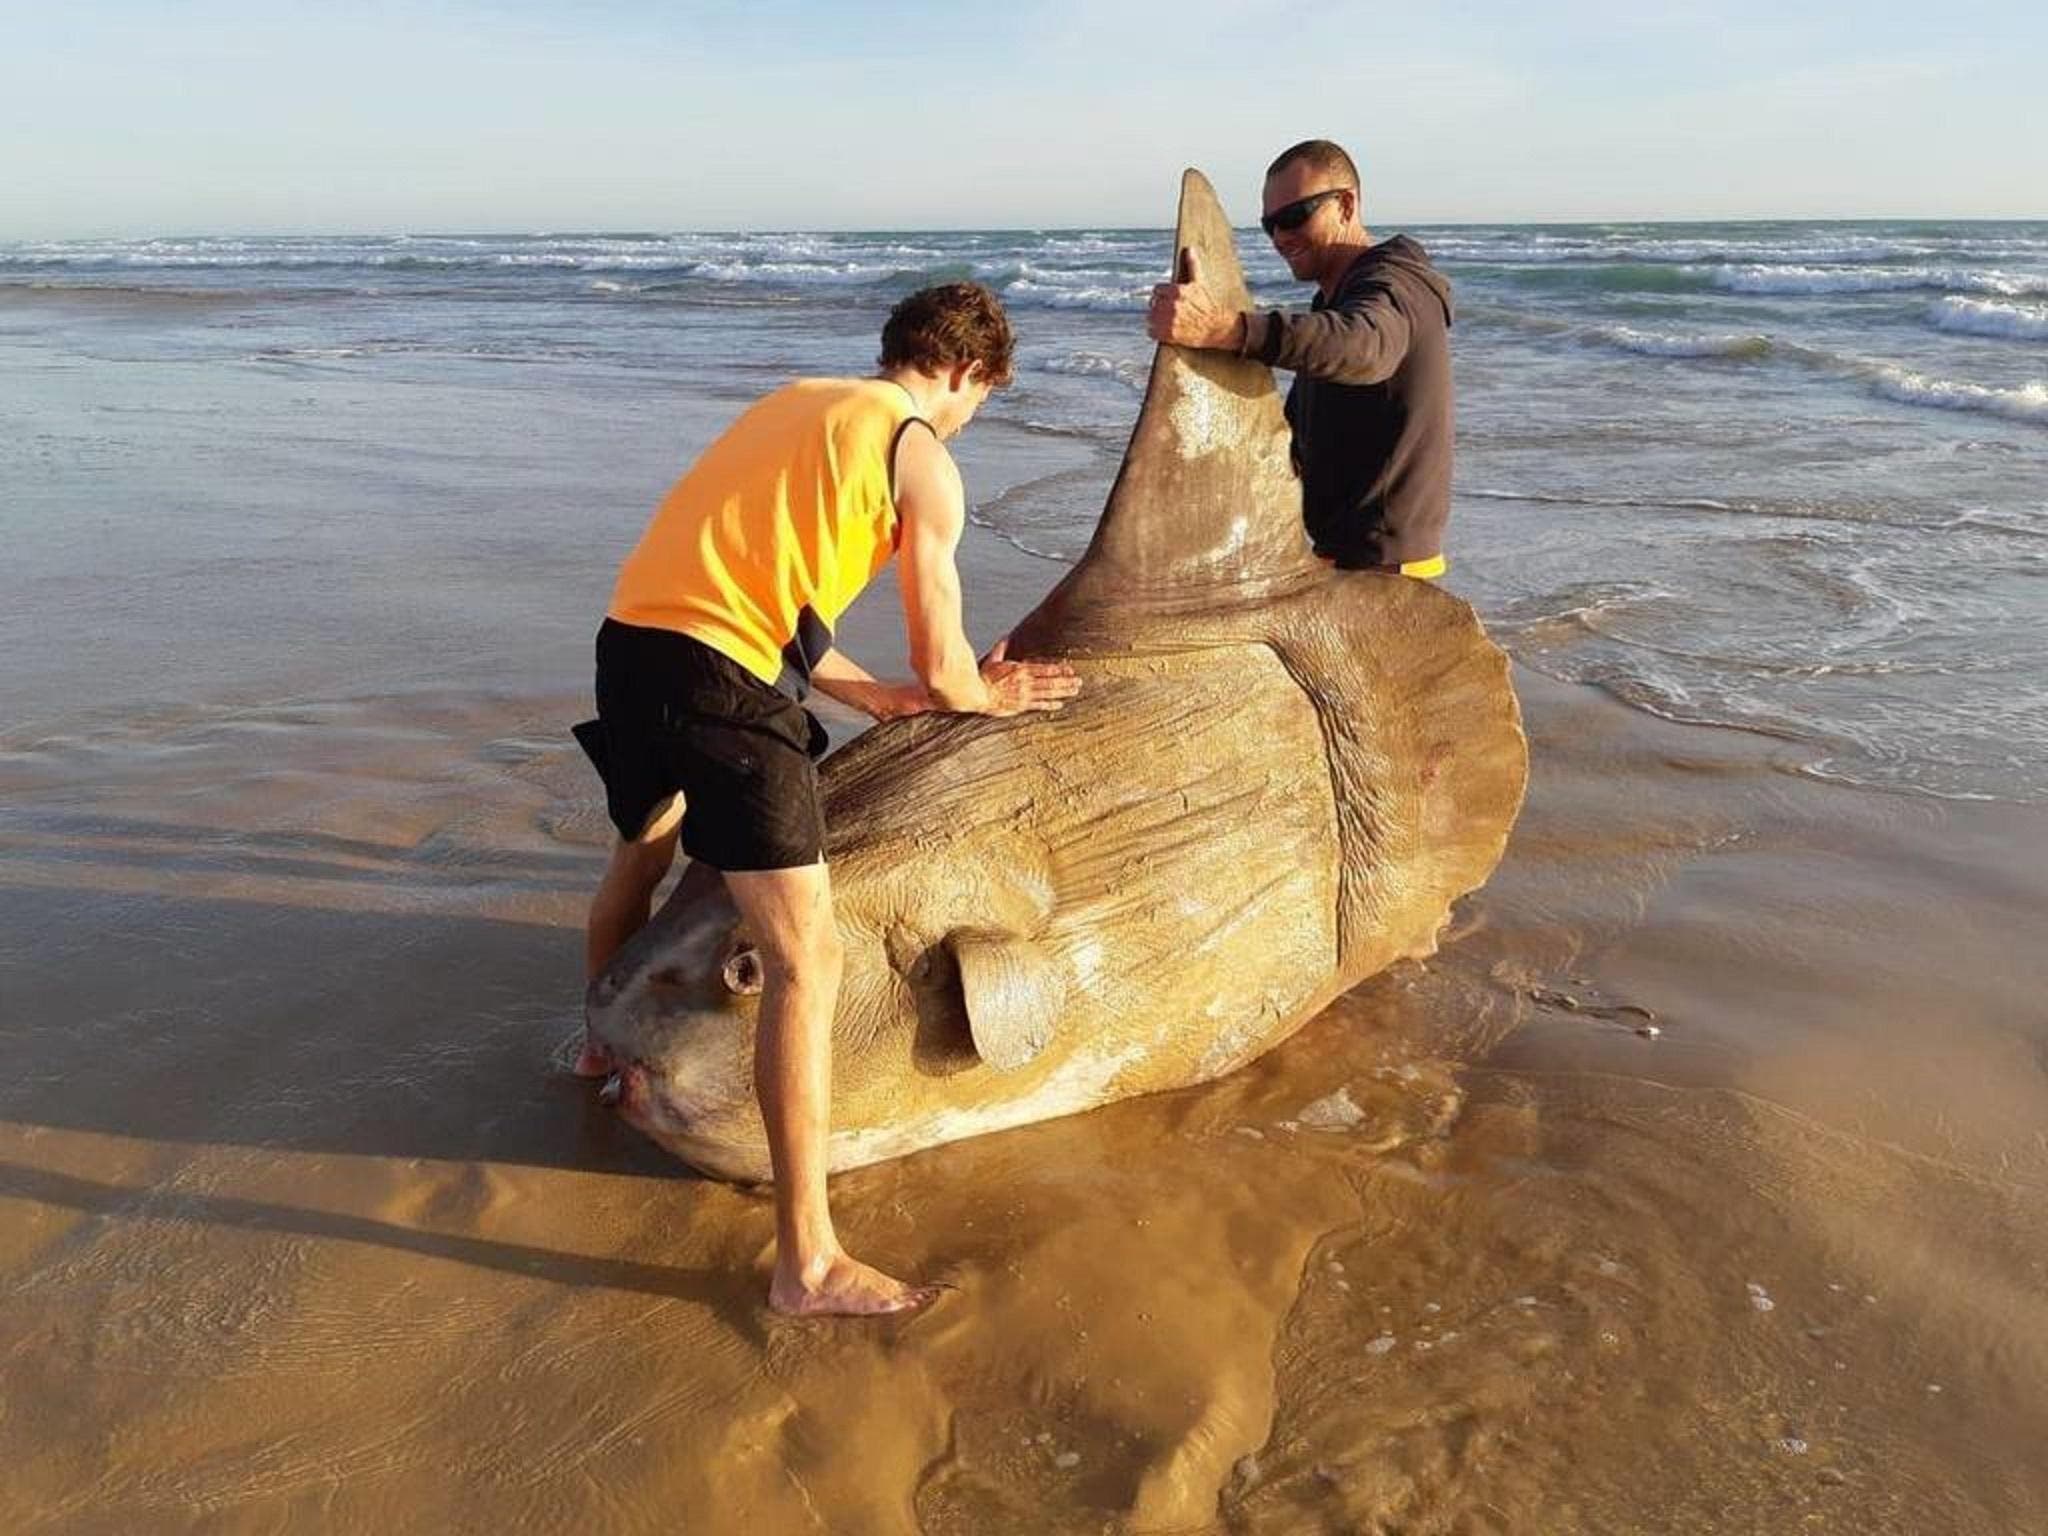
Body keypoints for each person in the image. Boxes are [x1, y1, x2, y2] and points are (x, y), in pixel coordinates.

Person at [573, 283, 1081, 1317]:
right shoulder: (919, 452)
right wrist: (984, 696)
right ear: (964, 374)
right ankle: (806, 1264)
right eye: (979, 398)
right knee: (809, 959)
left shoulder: (795, 404)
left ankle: (596, 1046)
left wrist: (872, 699)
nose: (969, 417)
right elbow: (945, 665)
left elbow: (789, 615)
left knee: (644, 844)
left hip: (631, 646)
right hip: (719, 677)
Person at [1145, 138, 1456, 577]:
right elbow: (1300, 438)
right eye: (1269, 224)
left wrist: (1226, 329)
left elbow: (1365, 347)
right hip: (1341, 557)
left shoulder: (1394, 286)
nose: (1281, 237)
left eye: (1294, 217)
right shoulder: (1333, 306)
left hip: (1386, 571)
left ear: (1346, 205)